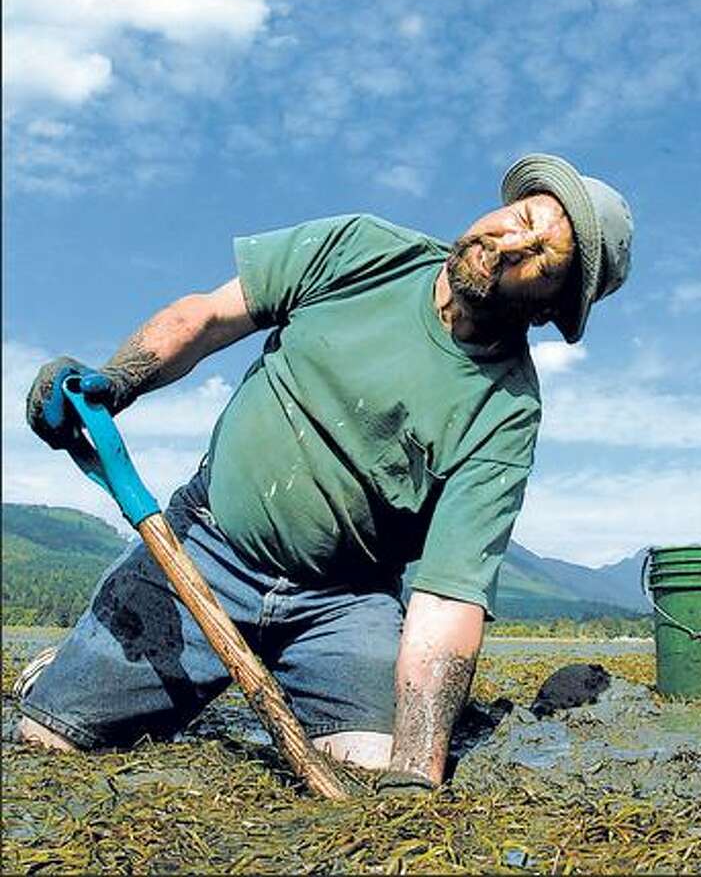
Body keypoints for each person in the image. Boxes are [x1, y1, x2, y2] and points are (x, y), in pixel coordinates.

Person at [16, 153, 634, 793]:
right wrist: (115, 382)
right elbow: (206, 317)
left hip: (344, 602)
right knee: (49, 740)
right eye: (522, 217)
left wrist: (415, 778)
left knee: (373, 770)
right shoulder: (363, 249)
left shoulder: (507, 410)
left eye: (541, 257)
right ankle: (65, 669)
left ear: (547, 308)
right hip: (206, 544)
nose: (511, 244)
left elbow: (448, 597)